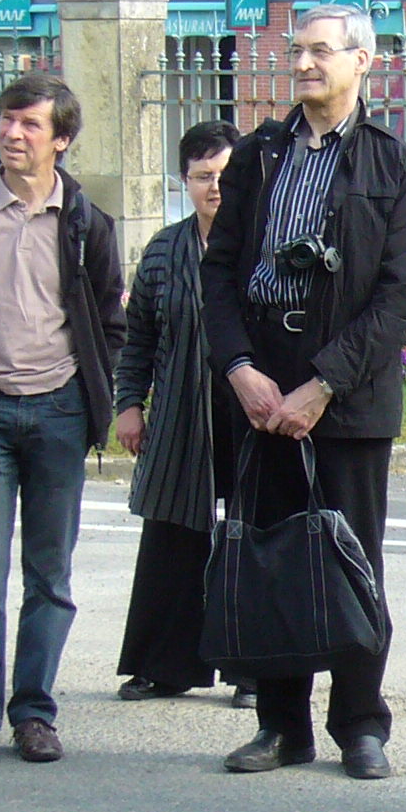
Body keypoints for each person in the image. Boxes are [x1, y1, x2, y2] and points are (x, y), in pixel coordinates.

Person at [200, 2, 406, 781]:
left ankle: (361, 725)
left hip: (347, 394)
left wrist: (323, 384)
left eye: (320, 51)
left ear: (363, 61)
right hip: (261, 388)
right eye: (297, 50)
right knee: (271, 559)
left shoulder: (392, 163)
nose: (303, 63)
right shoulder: (258, 155)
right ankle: (280, 725)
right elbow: (217, 273)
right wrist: (240, 369)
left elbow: (404, 297)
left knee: (351, 560)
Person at [0, 75, 126, 770]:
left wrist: (101, 393)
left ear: (60, 139)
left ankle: (34, 713)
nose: (13, 134)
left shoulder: (87, 221)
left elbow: (110, 320)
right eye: (8, 120)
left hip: (59, 410)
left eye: (30, 124)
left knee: (50, 575)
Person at [114, 120, 248, 702]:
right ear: (184, 182)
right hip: (179, 413)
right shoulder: (165, 250)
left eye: (224, 174)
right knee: (171, 538)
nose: (214, 187)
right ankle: (163, 666)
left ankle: (256, 672)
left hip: (252, 416)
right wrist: (128, 404)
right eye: (201, 176)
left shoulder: (262, 243)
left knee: (253, 539)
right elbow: (138, 336)